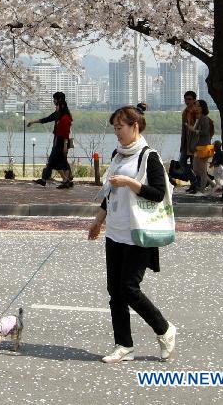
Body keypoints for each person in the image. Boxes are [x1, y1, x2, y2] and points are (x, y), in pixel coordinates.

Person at [87, 106, 176, 364]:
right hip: (115, 231)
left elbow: (158, 193)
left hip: (138, 232)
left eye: (120, 127)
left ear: (134, 126)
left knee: (129, 288)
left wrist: (129, 183)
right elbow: (110, 193)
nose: (117, 133)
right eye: (114, 127)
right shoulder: (118, 155)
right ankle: (123, 345)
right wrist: (98, 222)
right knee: (115, 290)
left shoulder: (150, 157)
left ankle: (164, 329)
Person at [28, 92, 74, 189]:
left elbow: (66, 133)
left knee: (56, 161)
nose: (54, 104)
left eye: (56, 103)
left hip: (62, 142)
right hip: (57, 140)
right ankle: (63, 181)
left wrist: (65, 146)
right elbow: (46, 119)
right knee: (56, 162)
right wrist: (33, 122)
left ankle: (63, 181)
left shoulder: (65, 117)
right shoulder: (58, 114)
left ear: (60, 102)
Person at [187, 100, 212, 193]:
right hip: (198, 147)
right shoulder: (199, 118)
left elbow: (205, 132)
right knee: (196, 169)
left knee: (202, 170)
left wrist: (193, 130)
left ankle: (202, 191)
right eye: (195, 106)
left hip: (203, 147)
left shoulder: (204, 118)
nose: (196, 108)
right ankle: (213, 185)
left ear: (203, 108)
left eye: (198, 106)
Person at [179, 91, 198, 187]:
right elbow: (184, 129)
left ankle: (196, 184)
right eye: (186, 99)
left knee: (195, 165)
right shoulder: (185, 111)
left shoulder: (197, 111)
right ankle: (194, 182)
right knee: (182, 162)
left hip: (195, 142)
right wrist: (182, 144)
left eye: (189, 99)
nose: (187, 101)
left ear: (194, 100)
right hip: (186, 142)